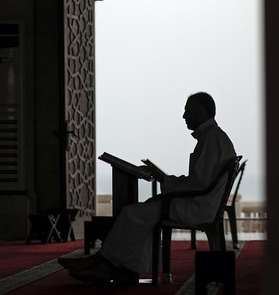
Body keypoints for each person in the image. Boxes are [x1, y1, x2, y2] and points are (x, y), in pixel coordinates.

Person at [58, 92, 236, 284]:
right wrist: (165, 179)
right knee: (144, 211)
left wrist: (164, 180)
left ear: (199, 111)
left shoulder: (211, 139)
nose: (183, 116)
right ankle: (106, 263)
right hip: (199, 202)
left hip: (197, 207)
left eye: (187, 111)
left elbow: (199, 184)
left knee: (132, 213)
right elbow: (200, 181)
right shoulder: (214, 137)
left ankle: (105, 264)